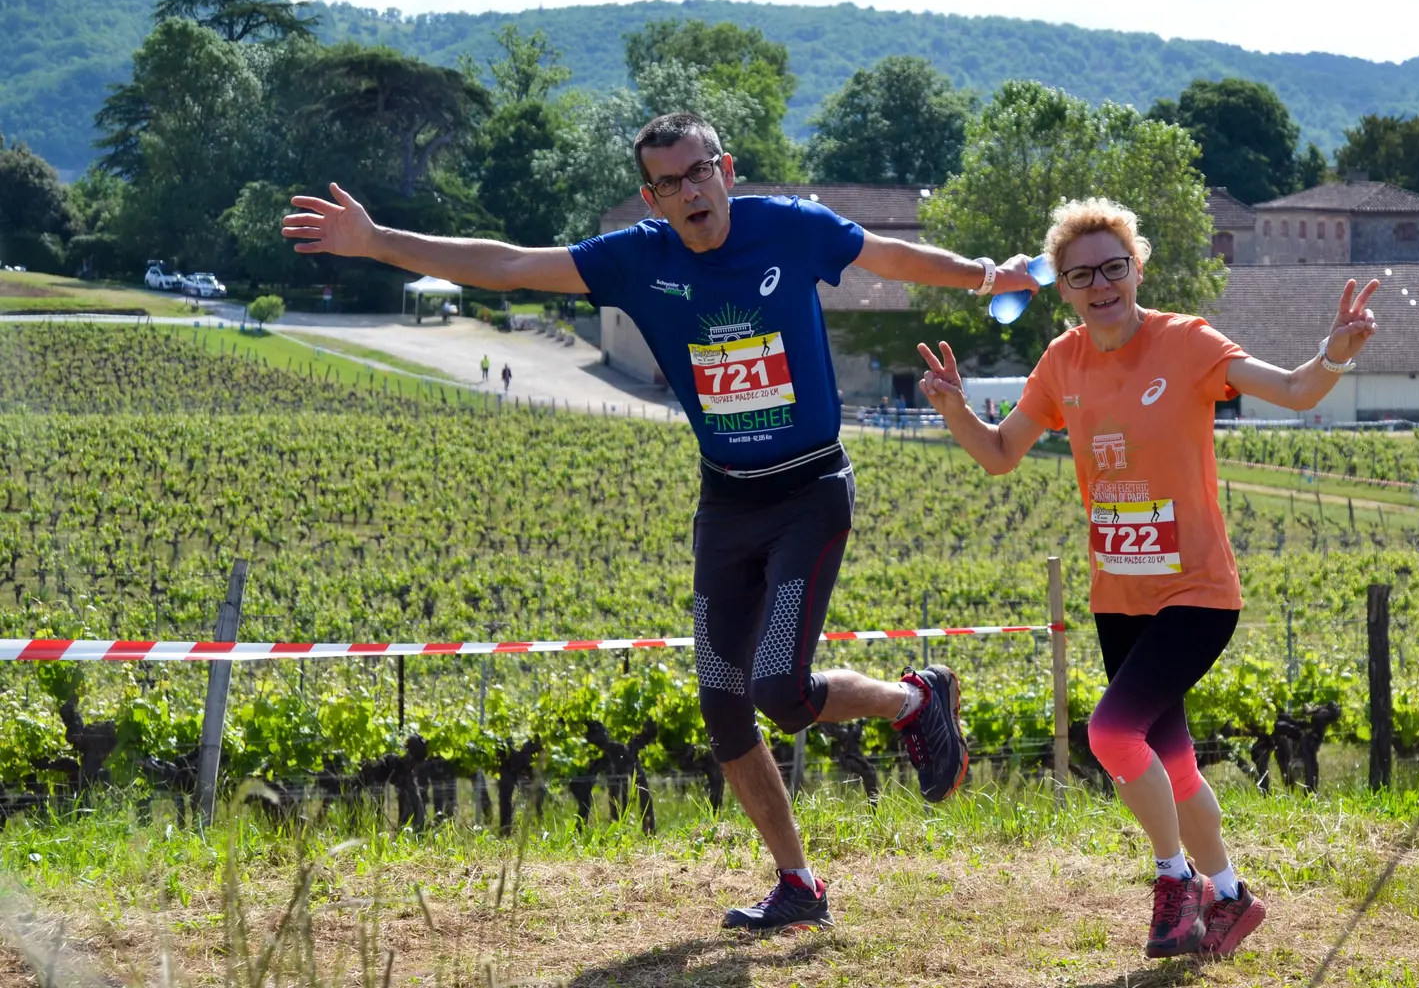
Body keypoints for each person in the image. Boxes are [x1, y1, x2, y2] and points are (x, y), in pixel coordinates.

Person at [284, 111, 1040, 934]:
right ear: (652, 197)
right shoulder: (637, 258)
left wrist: (985, 276)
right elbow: (507, 263)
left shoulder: (791, 228)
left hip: (810, 492)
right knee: (723, 705)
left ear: (727, 169)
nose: (689, 191)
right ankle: (798, 884)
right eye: (668, 183)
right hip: (728, 503)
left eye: (700, 171)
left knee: (780, 692)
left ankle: (911, 700)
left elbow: (890, 256)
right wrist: (377, 242)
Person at [914, 198, 1378, 958]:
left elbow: (1294, 390)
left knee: (1110, 733)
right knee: (1173, 759)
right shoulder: (1062, 362)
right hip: (1119, 595)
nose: (1100, 285)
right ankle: (1230, 895)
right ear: (1063, 286)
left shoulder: (1188, 343)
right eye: (1081, 275)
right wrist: (955, 409)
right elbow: (999, 454)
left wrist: (1334, 354)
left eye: (1113, 268)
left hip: (1197, 592)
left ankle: (1175, 879)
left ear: (1137, 269)